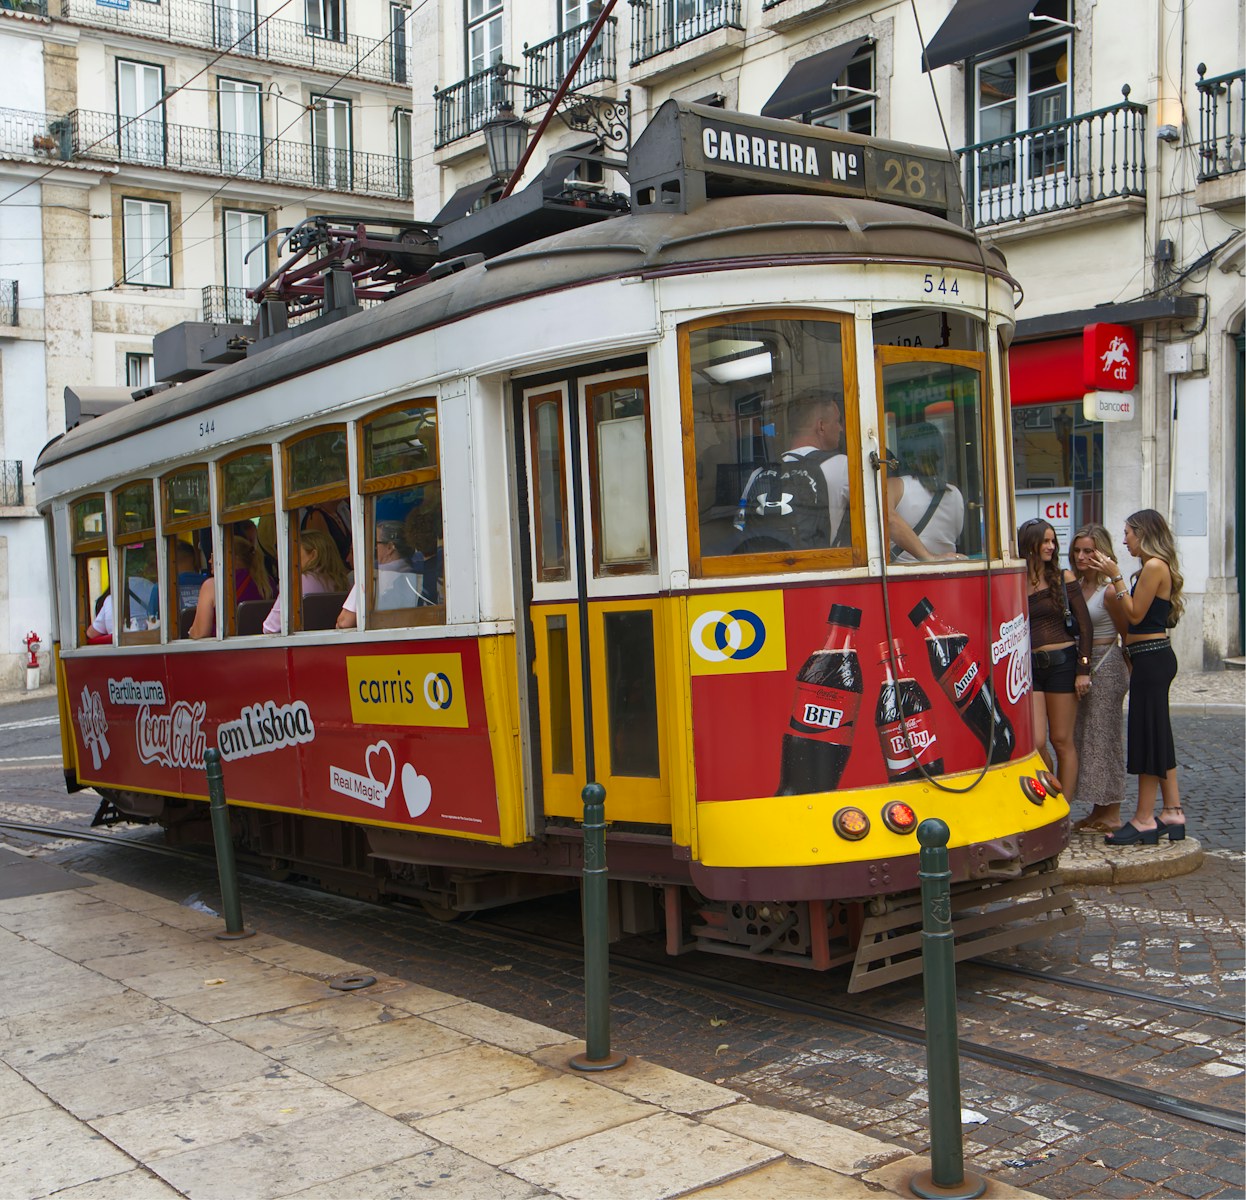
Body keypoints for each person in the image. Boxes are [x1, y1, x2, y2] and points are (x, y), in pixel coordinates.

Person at [1089, 509, 1186, 846]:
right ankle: (1172, 810)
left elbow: (1133, 615)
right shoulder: (1152, 567)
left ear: (1143, 533)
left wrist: (1116, 577)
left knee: (1147, 735)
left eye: (1128, 532)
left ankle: (1145, 818)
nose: (1125, 539)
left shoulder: (1154, 566)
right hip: (1150, 659)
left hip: (1152, 659)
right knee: (1157, 733)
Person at [1019, 518, 1093, 797]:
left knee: (1061, 740)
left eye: (1053, 541)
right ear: (1030, 544)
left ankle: (1065, 809)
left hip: (1063, 663)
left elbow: (1085, 625)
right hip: (1030, 668)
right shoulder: (1016, 580)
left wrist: (1083, 668)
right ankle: (1053, 793)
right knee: (1037, 742)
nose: (1051, 546)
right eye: (1045, 541)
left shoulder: (1063, 577)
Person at [1068, 524, 1130, 833]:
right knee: (1087, 739)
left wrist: (1126, 672)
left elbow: (1126, 632)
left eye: (1088, 550)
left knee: (1105, 739)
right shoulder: (1076, 585)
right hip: (1083, 665)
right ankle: (1097, 809)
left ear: (1101, 552)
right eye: (1078, 550)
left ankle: (1112, 812)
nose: (1081, 555)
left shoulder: (1108, 590)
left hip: (1105, 664)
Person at [737, 390, 849, 551]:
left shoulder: (759, 473)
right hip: (819, 568)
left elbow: (740, 528)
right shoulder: (842, 466)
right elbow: (877, 517)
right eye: (838, 421)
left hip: (768, 569)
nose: (841, 428)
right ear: (821, 426)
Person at [887, 422, 966, 562]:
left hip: (903, 577)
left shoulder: (895, 486)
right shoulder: (955, 494)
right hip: (947, 575)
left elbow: (888, 519)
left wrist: (928, 557)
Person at [336, 520, 428, 629]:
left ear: (390, 547)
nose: (372, 548)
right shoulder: (418, 573)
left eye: (375, 543)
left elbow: (344, 622)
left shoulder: (373, 575)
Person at [189, 525, 274, 639]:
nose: (210, 561)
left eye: (214, 556)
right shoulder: (267, 582)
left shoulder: (212, 585)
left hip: (223, 652)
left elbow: (201, 633)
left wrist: (192, 631)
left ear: (231, 558)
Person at [263, 530, 350, 633]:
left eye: (295, 553)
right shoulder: (341, 580)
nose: (290, 559)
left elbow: (270, 628)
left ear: (313, 555)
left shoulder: (300, 581)